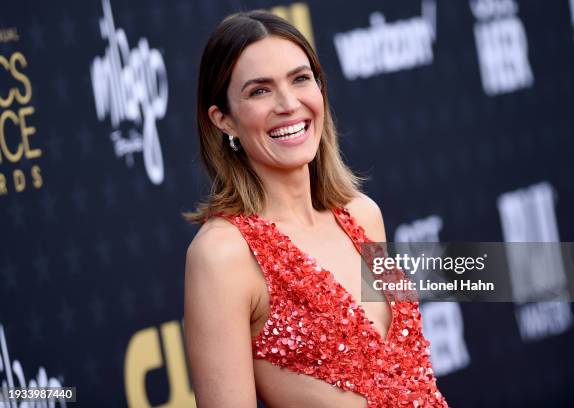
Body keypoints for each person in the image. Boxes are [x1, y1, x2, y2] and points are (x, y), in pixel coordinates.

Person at [183, 10, 448, 408]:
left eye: (300, 79)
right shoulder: (222, 256)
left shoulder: (363, 215)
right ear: (224, 120)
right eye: (260, 91)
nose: (289, 103)